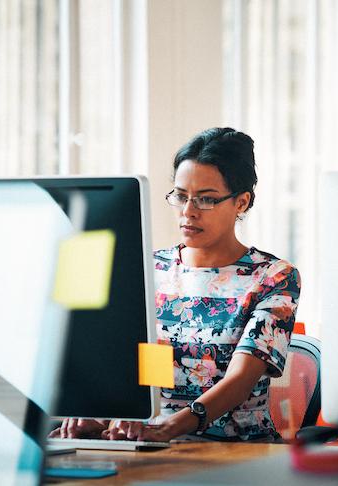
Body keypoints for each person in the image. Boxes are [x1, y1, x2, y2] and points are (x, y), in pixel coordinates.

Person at [50, 127, 301, 442]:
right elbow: (148, 368)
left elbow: (240, 380)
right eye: (181, 196)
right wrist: (102, 419)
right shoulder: (152, 268)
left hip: (237, 451)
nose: (188, 212)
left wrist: (171, 428)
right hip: (155, 443)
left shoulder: (274, 277)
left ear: (241, 202)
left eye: (206, 200)